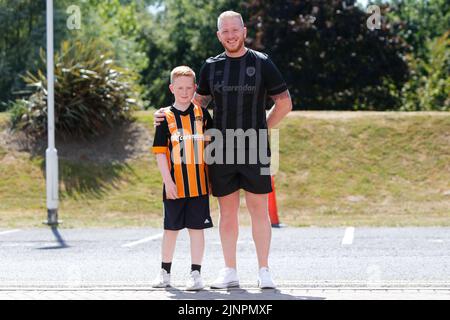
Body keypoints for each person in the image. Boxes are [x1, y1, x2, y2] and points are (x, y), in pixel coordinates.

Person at [154, 11, 292, 289]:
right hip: (219, 147)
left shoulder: (262, 63)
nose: (230, 35)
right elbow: (194, 106)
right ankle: (230, 270)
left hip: (255, 147)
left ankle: (264, 271)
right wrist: (166, 115)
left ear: (244, 31)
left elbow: (284, 102)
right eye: (224, 31)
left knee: (258, 210)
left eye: (234, 30)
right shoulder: (210, 67)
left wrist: (262, 129)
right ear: (219, 36)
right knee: (226, 212)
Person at [151, 66, 213, 291]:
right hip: (175, 185)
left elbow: (212, 147)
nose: (184, 92)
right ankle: (165, 272)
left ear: (195, 88)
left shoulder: (202, 115)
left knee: (197, 230)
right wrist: (168, 182)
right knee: (170, 230)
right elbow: (160, 152)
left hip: (199, 187)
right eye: (180, 88)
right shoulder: (164, 117)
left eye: (189, 88)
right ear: (171, 88)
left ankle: (196, 273)